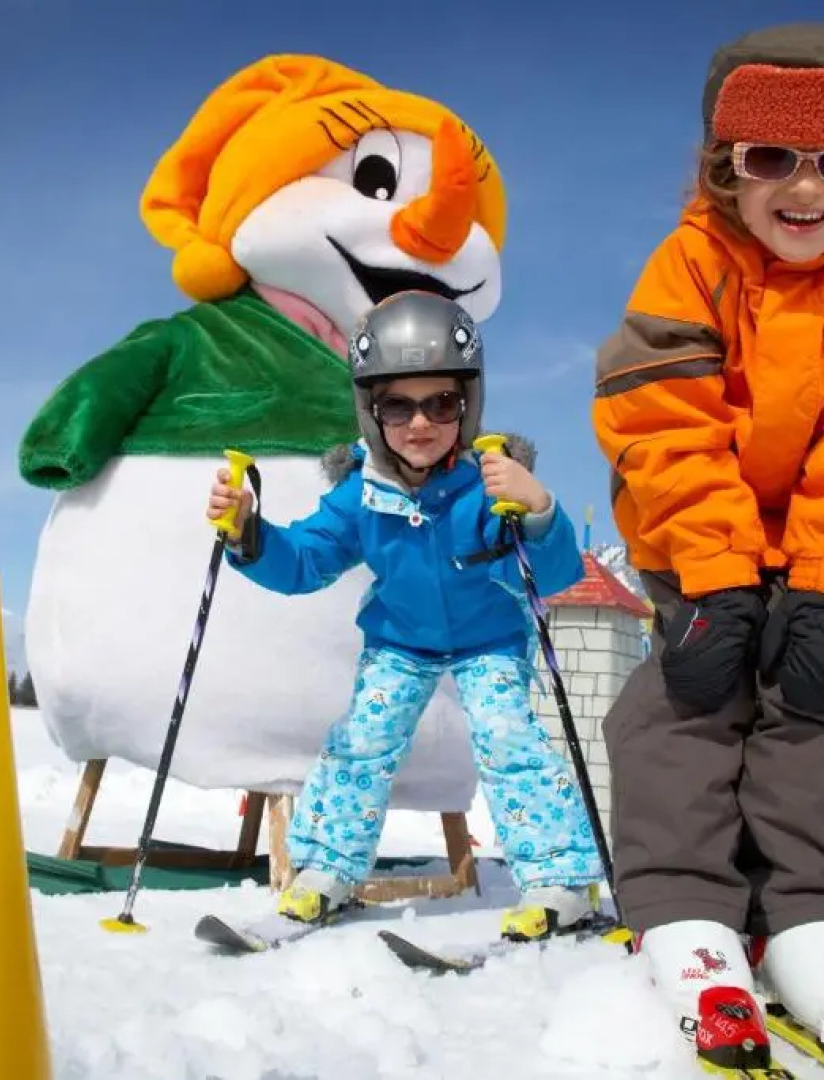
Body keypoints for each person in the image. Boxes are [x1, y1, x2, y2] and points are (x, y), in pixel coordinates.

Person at [591, 22, 824, 1078]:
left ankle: (812, 922)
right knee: (687, 708)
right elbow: (657, 411)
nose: (808, 189)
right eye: (770, 160)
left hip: (814, 539)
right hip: (692, 535)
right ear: (724, 167)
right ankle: (683, 909)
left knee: (810, 709)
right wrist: (709, 571)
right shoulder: (691, 259)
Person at [207, 289, 607, 941]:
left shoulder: (489, 480)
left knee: (509, 739)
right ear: (370, 411)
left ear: (467, 404)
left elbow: (555, 573)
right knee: (361, 742)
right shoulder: (360, 492)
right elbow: (305, 561)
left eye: (440, 403)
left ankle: (561, 881)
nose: (419, 423)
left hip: (489, 637)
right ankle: (325, 873)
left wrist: (536, 510)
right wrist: (249, 533)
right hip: (399, 641)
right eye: (397, 404)